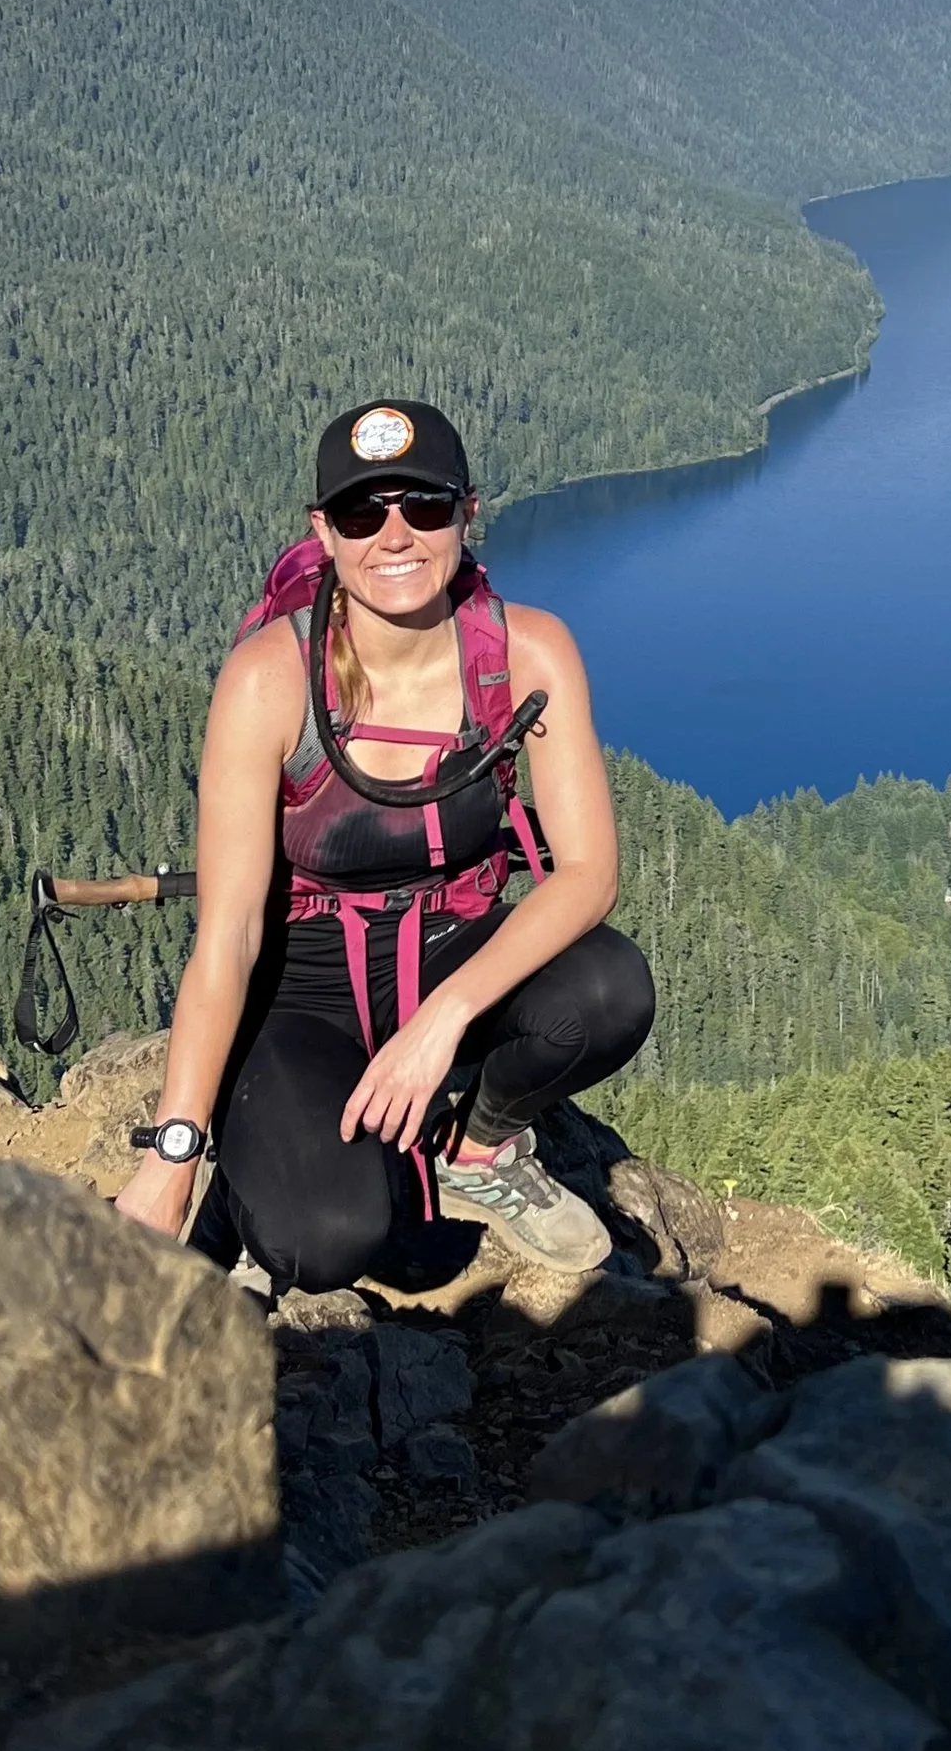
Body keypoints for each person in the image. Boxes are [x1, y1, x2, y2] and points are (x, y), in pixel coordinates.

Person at [114, 400, 655, 1287]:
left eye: (425, 507)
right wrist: (175, 1152)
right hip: (306, 991)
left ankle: (477, 1150)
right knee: (323, 1242)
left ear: (467, 511)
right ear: (323, 531)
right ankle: (243, 1182)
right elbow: (231, 935)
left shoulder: (530, 657)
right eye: (364, 513)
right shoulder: (269, 681)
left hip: (457, 952)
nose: (395, 536)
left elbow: (590, 875)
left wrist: (442, 1022)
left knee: (608, 991)